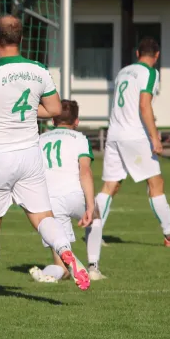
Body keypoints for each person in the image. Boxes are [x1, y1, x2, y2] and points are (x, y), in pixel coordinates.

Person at [0, 15, 90, 305]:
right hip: (29, 157)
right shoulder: (38, 70)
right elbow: (56, 108)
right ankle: (64, 250)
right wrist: (27, 112)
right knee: (42, 217)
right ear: (22, 38)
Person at [96, 37, 170, 247]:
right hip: (134, 136)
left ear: (137, 54)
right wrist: (154, 137)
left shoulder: (123, 72)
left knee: (110, 186)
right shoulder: (150, 73)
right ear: (157, 56)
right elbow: (144, 105)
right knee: (155, 183)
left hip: (114, 133)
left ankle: (93, 233)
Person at [29, 100, 106, 284]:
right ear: (77, 121)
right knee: (95, 217)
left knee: (61, 264)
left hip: (49, 201)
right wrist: (89, 205)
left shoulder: (40, 139)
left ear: (53, 120)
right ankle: (93, 267)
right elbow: (85, 171)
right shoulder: (79, 138)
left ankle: (49, 274)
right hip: (73, 195)